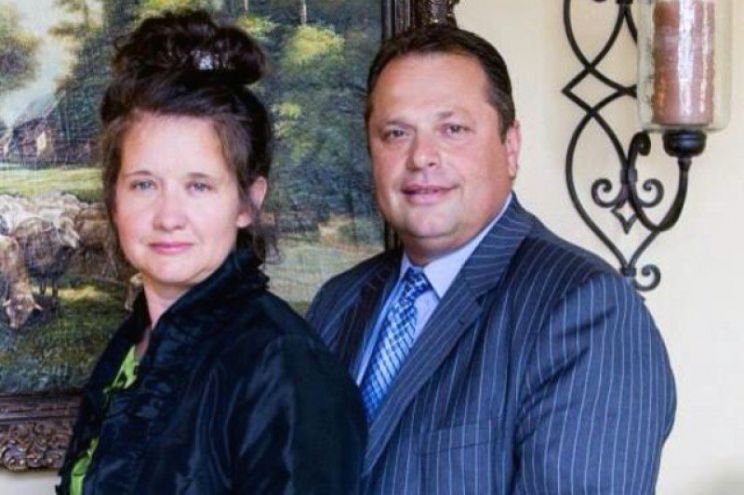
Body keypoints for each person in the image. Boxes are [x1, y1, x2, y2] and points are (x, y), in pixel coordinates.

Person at [307, 24, 676, 494]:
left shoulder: (585, 308)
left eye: (453, 129)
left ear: (510, 145)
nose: (422, 157)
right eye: (396, 133)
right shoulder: (337, 302)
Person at [57, 10, 365, 495]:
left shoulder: (284, 368)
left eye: (198, 185)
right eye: (143, 184)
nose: (168, 216)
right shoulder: (129, 346)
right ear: (113, 199)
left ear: (247, 202)